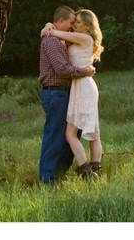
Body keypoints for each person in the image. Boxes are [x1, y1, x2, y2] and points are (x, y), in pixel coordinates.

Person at [42, 9, 104, 180]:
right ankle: (94, 169)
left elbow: (55, 33)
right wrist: (49, 25)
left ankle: (87, 172)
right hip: (80, 85)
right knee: (91, 131)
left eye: (78, 22)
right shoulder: (77, 40)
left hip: (83, 85)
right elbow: (56, 33)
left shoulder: (85, 38)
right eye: (73, 21)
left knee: (73, 133)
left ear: (88, 24)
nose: (74, 25)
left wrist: (49, 28)